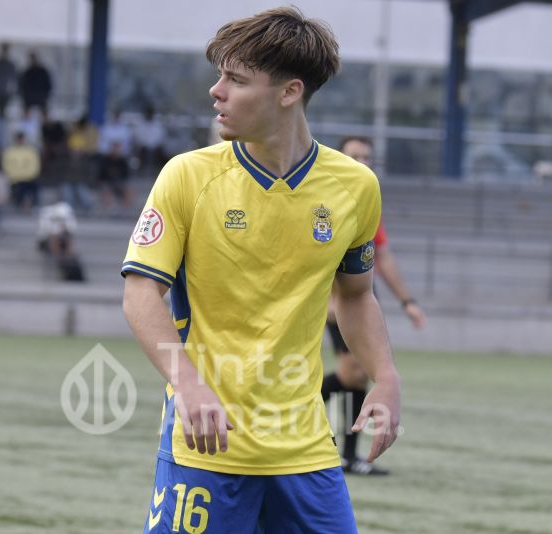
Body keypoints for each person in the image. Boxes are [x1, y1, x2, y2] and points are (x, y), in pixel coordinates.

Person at [121, 8, 400, 533]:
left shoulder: (355, 187)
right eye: (220, 75)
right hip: (207, 446)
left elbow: (357, 296)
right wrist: (189, 386)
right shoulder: (187, 176)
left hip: (307, 451)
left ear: (289, 92)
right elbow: (140, 294)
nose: (216, 91)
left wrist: (385, 377)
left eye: (236, 79)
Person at [321, 136, 426, 477]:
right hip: (334, 289)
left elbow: (382, 257)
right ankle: (296, 409)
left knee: (358, 374)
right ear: (339, 157)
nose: (362, 161)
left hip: (360, 287)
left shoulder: (365, 200)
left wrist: (407, 301)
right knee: (353, 371)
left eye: (366, 156)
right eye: (354, 155)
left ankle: (350, 457)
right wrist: (330, 300)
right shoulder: (322, 196)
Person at [3, 131, 40, 212]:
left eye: (21, 139)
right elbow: (7, 167)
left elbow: (35, 166)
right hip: (15, 179)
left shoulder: (31, 151)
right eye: (18, 139)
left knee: (35, 186)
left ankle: (34, 207)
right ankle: (19, 206)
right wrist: (18, 176)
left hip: (29, 178)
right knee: (20, 187)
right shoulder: (9, 151)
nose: (20, 141)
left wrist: (25, 176)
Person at [19, 51, 52, 116]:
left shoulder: (42, 71)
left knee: (45, 114)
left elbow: (48, 84)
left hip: (40, 96)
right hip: (30, 97)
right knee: (26, 113)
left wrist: (45, 95)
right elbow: (21, 85)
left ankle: (46, 125)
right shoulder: (27, 72)